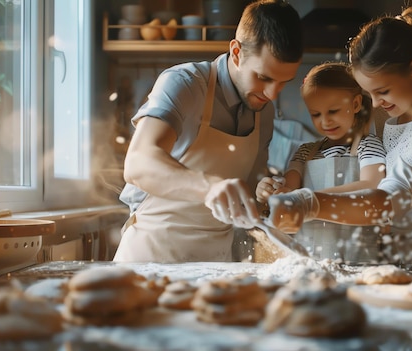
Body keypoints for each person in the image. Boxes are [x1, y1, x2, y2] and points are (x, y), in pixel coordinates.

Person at [264, 7, 412, 270]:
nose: (375, 103)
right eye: (370, 93)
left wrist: (309, 202)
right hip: (388, 253)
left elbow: (387, 201)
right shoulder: (388, 113)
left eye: (382, 90)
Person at [113, 0, 303, 263]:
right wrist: (209, 187)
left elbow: (247, 193)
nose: (271, 94)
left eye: (283, 83)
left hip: (214, 266)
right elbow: (138, 163)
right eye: (263, 78)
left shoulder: (264, 111)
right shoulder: (184, 84)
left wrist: (265, 195)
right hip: (150, 257)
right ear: (236, 52)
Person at [255, 62, 386, 262]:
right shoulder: (306, 151)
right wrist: (269, 190)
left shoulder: (368, 145)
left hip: (358, 258)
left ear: (356, 104)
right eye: (316, 114)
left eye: (333, 111)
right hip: (309, 257)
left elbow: (372, 186)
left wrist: (310, 201)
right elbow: (289, 188)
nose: (325, 121)